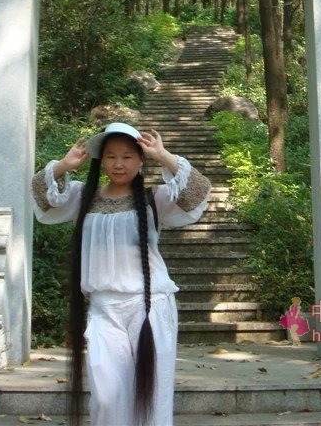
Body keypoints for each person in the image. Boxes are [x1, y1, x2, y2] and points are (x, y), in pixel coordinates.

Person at [31, 122, 212, 426]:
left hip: (149, 305)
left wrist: (164, 156)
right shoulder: (83, 197)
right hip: (103, 307)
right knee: (106, 395)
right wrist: (64, 165)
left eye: (127, 156)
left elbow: (198, 192)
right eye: (111, 156)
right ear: (101, 160)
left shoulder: (155, 199)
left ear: (141, 160)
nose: (118, 164)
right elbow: (41, 196)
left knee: (152, 396)